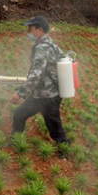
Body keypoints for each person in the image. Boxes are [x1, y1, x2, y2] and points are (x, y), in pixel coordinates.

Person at [10, 15, 68, 153]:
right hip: (40, 93)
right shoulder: (50, 43)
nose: (28, 32)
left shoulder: (42, 47)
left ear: (40, 30)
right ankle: (15, 142)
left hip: (49, 95)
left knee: (54, 127)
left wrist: (20, 93)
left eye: (31, 28)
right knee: (19, 114)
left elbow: (36, 75)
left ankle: (65, 152)